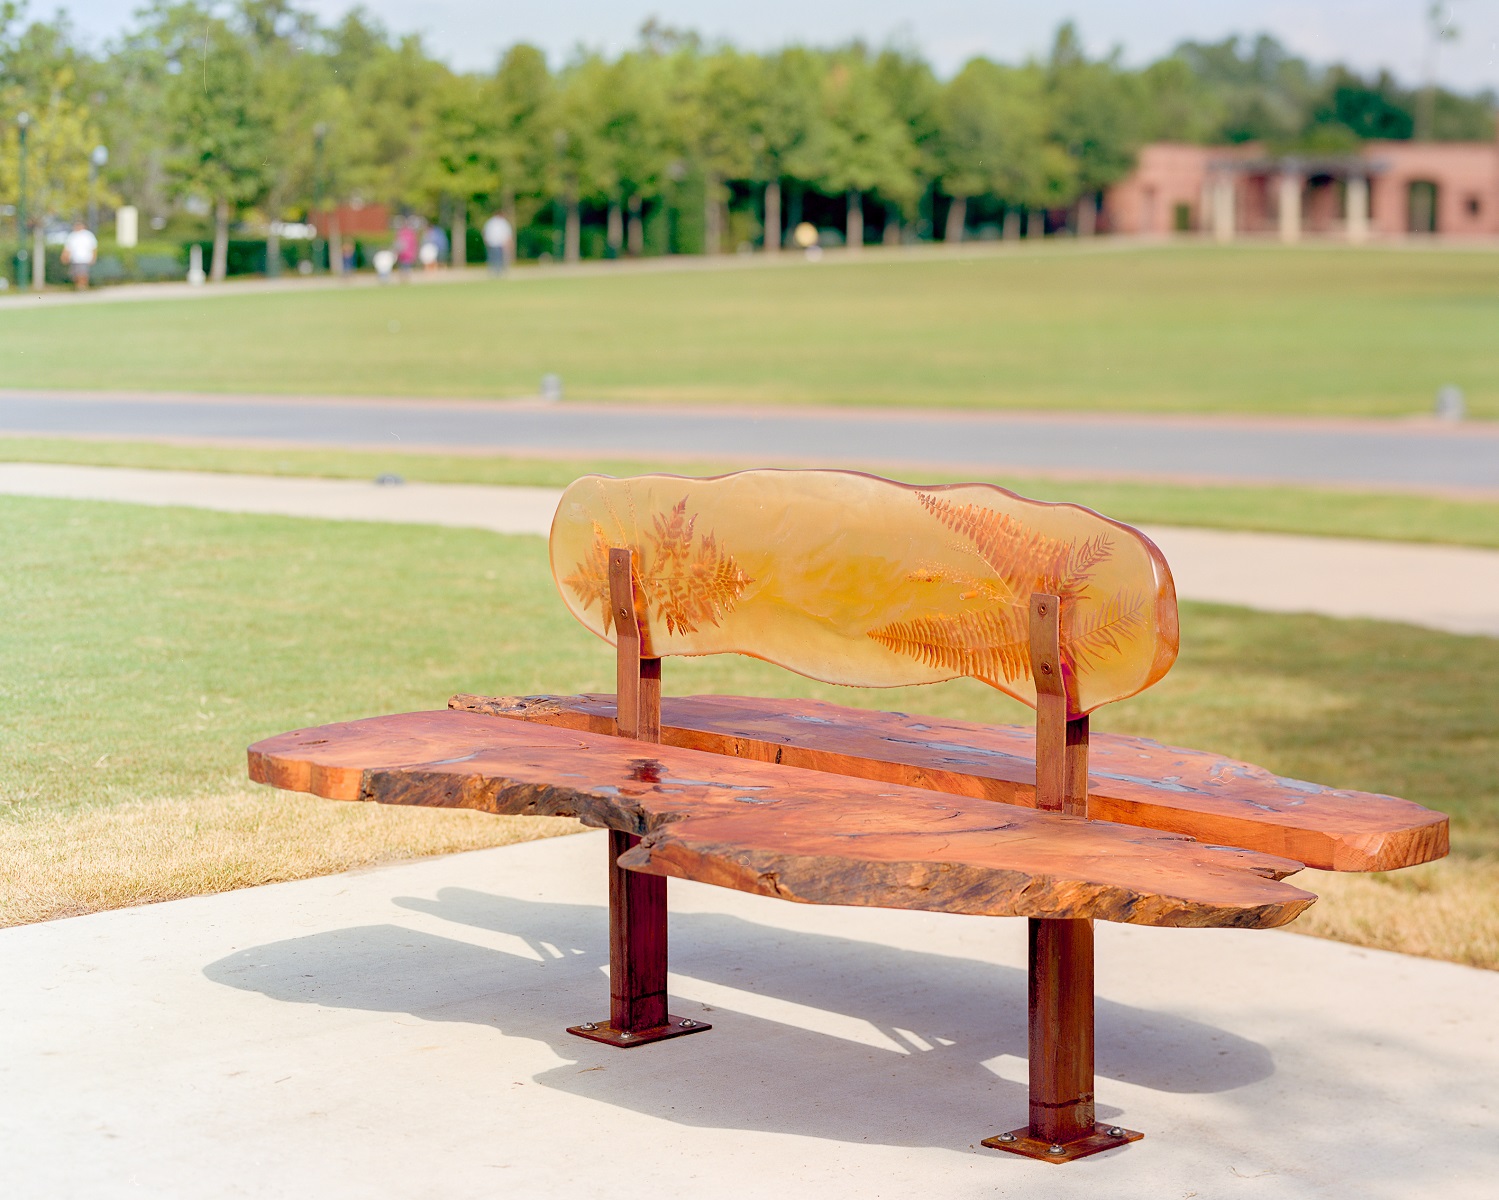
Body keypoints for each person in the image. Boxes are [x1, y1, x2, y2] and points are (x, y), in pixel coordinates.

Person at [60, 220, 98, 290]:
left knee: (83, 273)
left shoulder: (88, 235)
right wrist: (65, 256)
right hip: (75, 258)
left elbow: (93, 247)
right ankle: (79, 286)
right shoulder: (72, 235)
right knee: (76, 274)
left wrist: (93, 257)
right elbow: (68, 248)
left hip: (85, 258)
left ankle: (83, 286)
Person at [482, 211, 513, 276]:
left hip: (493, 243)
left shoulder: (490, 222)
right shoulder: (503, 222)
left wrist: (486, 242)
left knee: (493, 258)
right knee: (499, 258)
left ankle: (494, 271)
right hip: (499, 244)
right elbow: (507, 234)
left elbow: (484, 233)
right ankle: (498, 272)